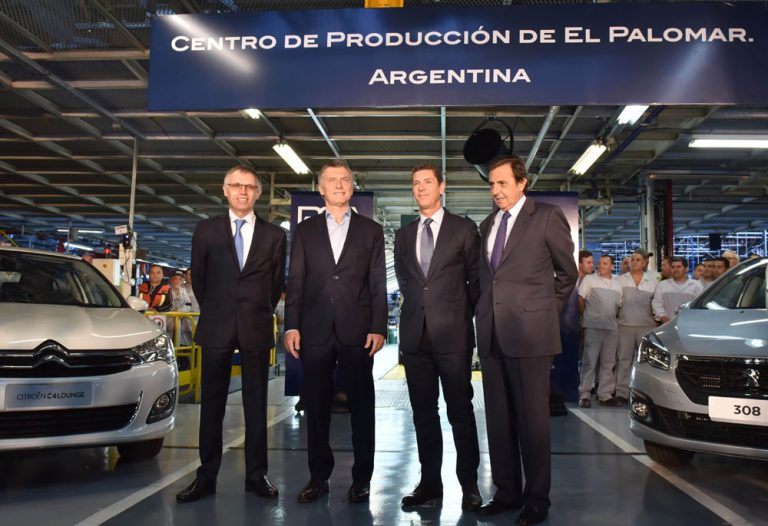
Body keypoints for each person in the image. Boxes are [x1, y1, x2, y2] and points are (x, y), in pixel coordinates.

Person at [474, 156, 577, 525]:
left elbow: (567, 273)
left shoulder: (546, 216)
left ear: (522, 183)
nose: (496, 190)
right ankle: (506, 493)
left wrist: (542, 311)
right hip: (492, 335)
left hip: (531, 336)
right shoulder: (487, 224)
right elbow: (488, 279)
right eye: (491, 184)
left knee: (533, 424)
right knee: (499, 422)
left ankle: (536, 499)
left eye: (503, 183)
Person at [177, 164, 286, 503]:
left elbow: (275, 286)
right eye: (236, 185)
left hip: (255, 325)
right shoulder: (206, 230)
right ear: (224, 190)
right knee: (212, 404)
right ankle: (206, 477)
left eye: (249, 186)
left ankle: (257, 476)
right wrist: (219, 308)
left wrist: (255, 309)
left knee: (257, 404)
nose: (243, 191)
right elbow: (200, 280)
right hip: (216, 325)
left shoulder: (274, 235)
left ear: (258, 193)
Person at [284, 160, 387, 504]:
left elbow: (377, 283)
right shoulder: (306, 231)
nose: (339, 184)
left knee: (362, 405)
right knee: (316, 406)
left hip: (358, 330)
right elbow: (296, 280)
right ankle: (318, 477)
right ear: (321, 188)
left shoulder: (370, 231)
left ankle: (362, 479)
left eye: (345, 179)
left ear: (352, 187)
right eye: (332, 180)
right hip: (314, 330)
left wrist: (378, 326)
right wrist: (292, 324)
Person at [394, 164, 482, 511]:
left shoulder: (463, 229)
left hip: (453, 336)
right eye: (415, 183)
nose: (421, 188)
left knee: (460, 411)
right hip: (415, 338)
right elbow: (406, 280)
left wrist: (460, 316)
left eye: (427, 182)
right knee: (423, 414)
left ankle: (470, 485)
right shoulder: (404, 235)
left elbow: (476, 280)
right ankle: (430, 484)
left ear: (441, 187)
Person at [577, 254, 622, 408]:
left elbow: (618, 307)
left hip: (611, 328)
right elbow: (580, 299)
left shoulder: (618, 285)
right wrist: (586, 318)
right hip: (593, 327)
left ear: (612, 266)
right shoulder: (590, 280)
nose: (600, 265)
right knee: (589, 361)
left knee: (608, 362)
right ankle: (584, 395)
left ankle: (605, 394)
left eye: (605, 263)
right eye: (600, 263)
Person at [614, 251, 657, 405]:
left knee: (646, 362)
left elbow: (657, 304)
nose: (634, 262)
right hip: (624, 325)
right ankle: (621, 393)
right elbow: (615, 303)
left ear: (644, 263)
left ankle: (645, 394)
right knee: (623, 361)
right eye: (632, 259)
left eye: (638, 259)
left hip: (647, 326)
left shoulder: (653, 282)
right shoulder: (620, 280)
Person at [652, 256, 703, 324]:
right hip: (667, 325)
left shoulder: (696, 286)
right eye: (673, 267)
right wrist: (665, 319)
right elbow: (657, 304)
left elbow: (699, 306)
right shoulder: (663, 285)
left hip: (690, 324)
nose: (675, 269)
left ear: (686, 269)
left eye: (678, 267)